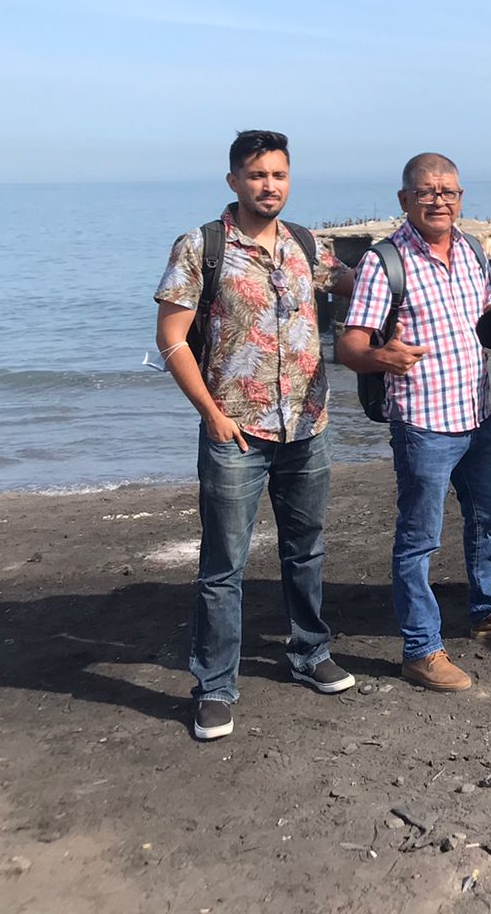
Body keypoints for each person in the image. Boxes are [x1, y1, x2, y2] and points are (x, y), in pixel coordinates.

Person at [154, 129, 357, 742]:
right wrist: (212, 414)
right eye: (257, 174)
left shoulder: (306, 245)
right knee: (223, 566)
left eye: (279, 175)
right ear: (234, 181)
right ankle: (215, 686)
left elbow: (362, 286)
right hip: (235, 431)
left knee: (307, 549)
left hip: (308, 425)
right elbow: (171, 339)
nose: (269, 185)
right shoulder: (202, 247)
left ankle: (309, 652)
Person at [336, 153, 491, 694]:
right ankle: (421, 649)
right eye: (427, 192)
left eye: (450, 192)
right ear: (405, 199)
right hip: (423, 422)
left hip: (477, 415)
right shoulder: (385, 262)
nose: (440, 201)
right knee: (419, 540)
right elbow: (350, 344)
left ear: (461, 197)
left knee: (488, 520)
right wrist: (383, 358)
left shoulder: (474, 250)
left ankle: (487, 610)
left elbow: (480, 323)